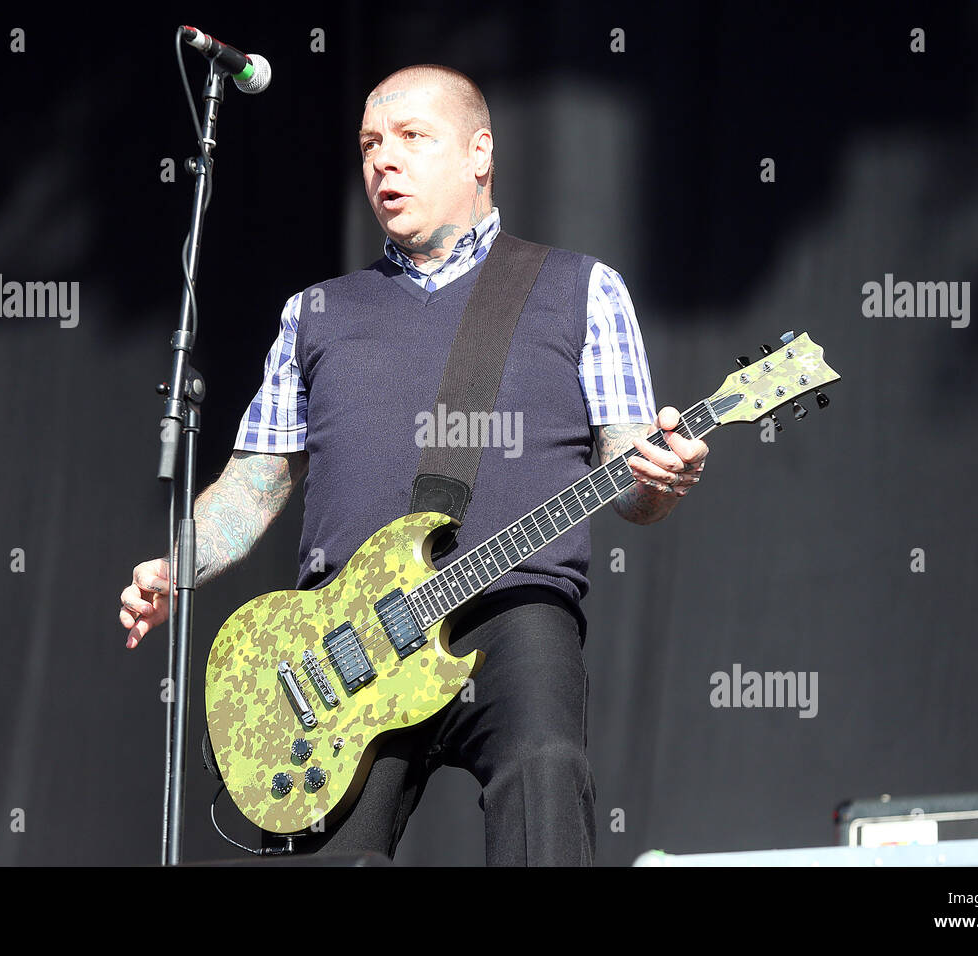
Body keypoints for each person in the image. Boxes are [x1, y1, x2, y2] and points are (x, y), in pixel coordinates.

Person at [119, 64, 708, 865]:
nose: (382, 160)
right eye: (369, 143)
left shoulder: (582, 290)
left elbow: (633, 482)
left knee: (544, 766)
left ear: (479, 154)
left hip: (512, 609)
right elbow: (252, 488)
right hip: (345, 642)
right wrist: (174, 567)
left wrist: (660, 480)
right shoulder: (315, 313)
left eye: (411, 138)